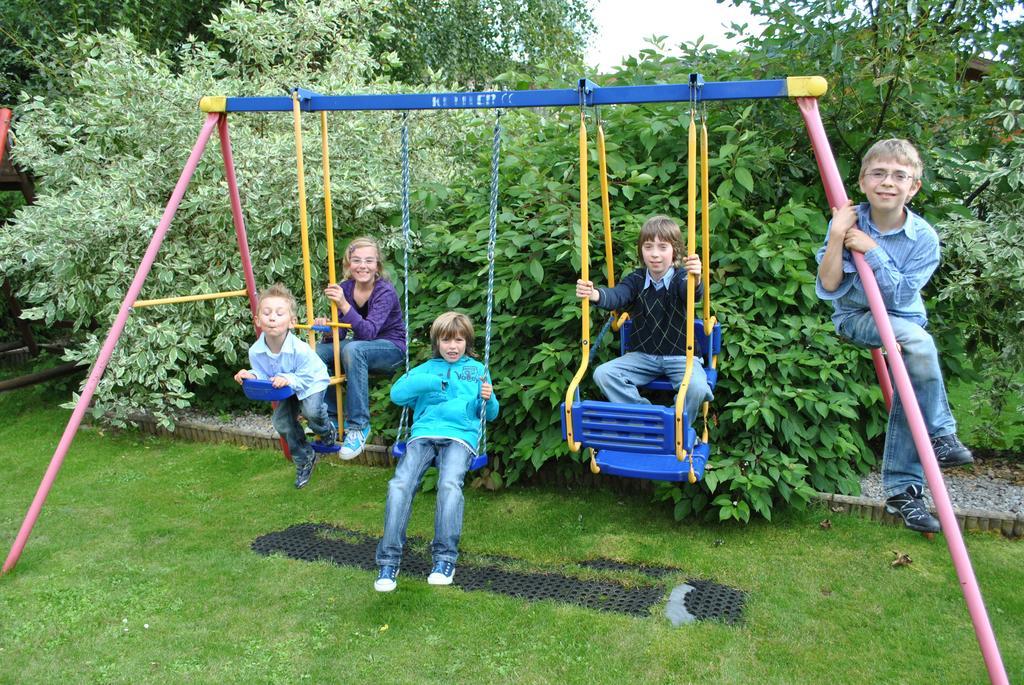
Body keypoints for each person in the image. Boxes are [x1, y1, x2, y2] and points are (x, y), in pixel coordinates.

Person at [815, 138, 973, 534]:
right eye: (879, 174)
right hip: (857, 317)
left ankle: (904, 492)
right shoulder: (848, 221)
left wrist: (873, 251)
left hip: (902, 318)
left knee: (912, 384)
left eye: (899, 176)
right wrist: (837, 237)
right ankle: (941, 434)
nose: (888, 182)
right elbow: (829, 285)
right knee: (920, 345)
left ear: (913, 186)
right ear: (864, 182)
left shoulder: (924, 239)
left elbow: (902, 296)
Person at [373, 311, 499, 592]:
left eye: (458, 340)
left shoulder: (477, 370)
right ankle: (388, 561)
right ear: (437, 342)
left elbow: (488, 414)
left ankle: (444, 559)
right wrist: (434, 382)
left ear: (466, 341)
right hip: (424, 435)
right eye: (446, 340)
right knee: (399, 484)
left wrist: (486, 401)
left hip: (460, 437)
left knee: (449, 484)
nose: (452, 346)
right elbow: (398, 394)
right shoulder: (426, 369)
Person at [575, 214, 712, 436]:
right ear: (641, 251)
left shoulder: (680, 278)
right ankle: (651, 421)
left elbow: (692, 293)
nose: (655, 254)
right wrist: (595, 294)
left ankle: (678, 430)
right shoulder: (636, 280)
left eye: (662, 247)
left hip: (681, 356)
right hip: (643, 356)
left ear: (674, 251)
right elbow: (617, 296)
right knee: (603, 373)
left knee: (696, 387)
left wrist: (696, 277)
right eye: (648, 247)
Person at [234, 284, 335, 489]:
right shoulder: (256, 351)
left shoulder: (300, 350)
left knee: (312, 412)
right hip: (285, 386)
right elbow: (262, 373)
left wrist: (289, 379)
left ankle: (326, 430)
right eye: (267, 313)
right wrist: (250, 375)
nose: (272, 318)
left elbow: (307, 376)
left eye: (279, 313)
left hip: (310, 381)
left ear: (291, 322)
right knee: (281, 422)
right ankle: (305, 458)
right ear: (258, 320)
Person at [316, 236, 406, 460]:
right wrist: (326, 328)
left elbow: (368, 332)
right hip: (362, 347)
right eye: (356, 260)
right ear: (348, 264)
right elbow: (342, 334)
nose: (362, 266)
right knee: (318, 353)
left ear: (377, 265)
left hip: (391, 349)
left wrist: (343, 304)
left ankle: (358, 427)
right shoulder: (345, 288)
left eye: (369, 261)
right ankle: (331, 417)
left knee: (354, 349)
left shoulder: (384, 291)